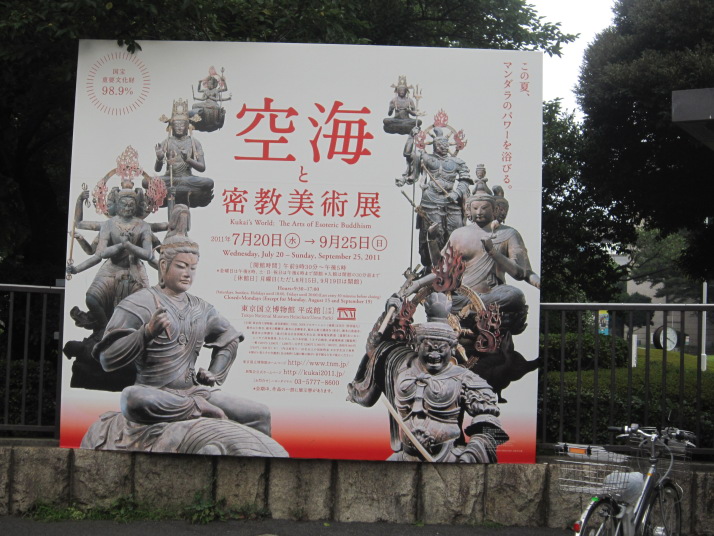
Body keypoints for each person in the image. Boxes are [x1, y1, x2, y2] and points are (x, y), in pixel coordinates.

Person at [91, 235, 272, 436]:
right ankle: (197, 408)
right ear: (163, 266)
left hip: (195, 390)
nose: (187, 274)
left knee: (260, 414)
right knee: (131, 398)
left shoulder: (201, 308)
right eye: (181, 266)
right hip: (155, 392)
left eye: (193, 268)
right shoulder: (139, 303)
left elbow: (230, 338)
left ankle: (198, 406)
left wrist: (215, 372)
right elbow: (107, 359)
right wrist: (146, 332)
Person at [348, 293, 507, 462]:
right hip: (404, 457)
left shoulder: (464, 379)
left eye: (441, 348)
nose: (434, 354)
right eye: (429, 347)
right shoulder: (401, 365)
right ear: (418, 345)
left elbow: (489, 422)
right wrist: (387, 316)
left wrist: (472, 454)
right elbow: (375, 350)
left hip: (449, 458)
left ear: (453, 348)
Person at [66, 189, 154, 331]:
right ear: (117, 205)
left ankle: (134, 332)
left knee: (145, 305)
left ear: (136, 206)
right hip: (111, 268)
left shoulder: (144, 226)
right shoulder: (108, 225)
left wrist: (129, 245)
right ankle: (104, 327)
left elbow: (148, 255)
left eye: (131, 205)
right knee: (92, 299)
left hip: (135, 268)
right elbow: (99, 255)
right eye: (124, 204)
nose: (127, 208)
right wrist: (76, 269)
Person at [398, 126, 472, 271]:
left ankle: (454, 268)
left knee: (456, 233)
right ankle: (432, 267)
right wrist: (411, 136)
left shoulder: (457, 162)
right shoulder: (425, 158)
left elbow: (465, 181)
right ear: (434, 145)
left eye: (445, 145)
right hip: (430, 202)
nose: (443, 148)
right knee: (432, 234)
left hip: (452, 203)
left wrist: (456, 194)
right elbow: (407, 153)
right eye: (440, 145)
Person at [152, 99, 214, 208]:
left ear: (188, 126)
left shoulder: (194, 142)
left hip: (187, 178)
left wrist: (188, 160)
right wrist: (159, 158)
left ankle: (178, 190)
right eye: (176, 125)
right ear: (171, 126)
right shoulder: (167, 142)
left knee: (209, 183)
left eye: (182, 124)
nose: (179, 127)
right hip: (170, 178)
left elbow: (202, 167)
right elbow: (157, 169)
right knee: (147, 182)